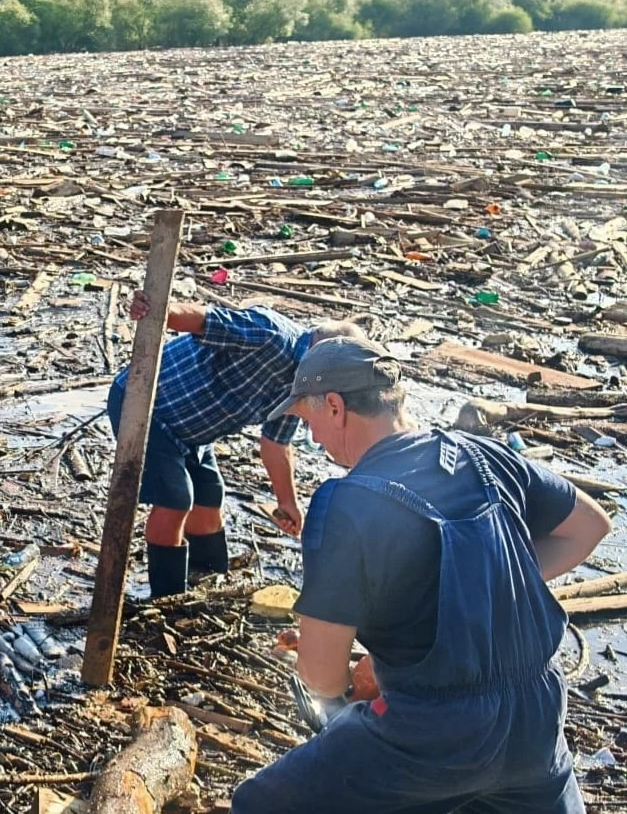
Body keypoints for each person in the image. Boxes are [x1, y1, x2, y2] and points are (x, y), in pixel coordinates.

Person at [231, 337, 606, 813]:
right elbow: (590, 527)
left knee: (260, 803)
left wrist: (346, 679)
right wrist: (491, 583)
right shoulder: (486, 456)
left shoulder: (343, 502)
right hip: (538, 721)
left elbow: (321, 678)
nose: (316, 440)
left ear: (335, 407)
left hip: (432, 734)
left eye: (310, 423)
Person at [108, 292, 364, 598]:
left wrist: (287, 502)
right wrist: (159, 310)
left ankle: (209, 581)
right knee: (175, 499)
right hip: (147, 407)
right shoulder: (270, 334)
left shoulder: (304, 387)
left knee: (209, 495)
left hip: (194, 431)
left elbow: (276, 444)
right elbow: (203, 320)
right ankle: (168, 596)